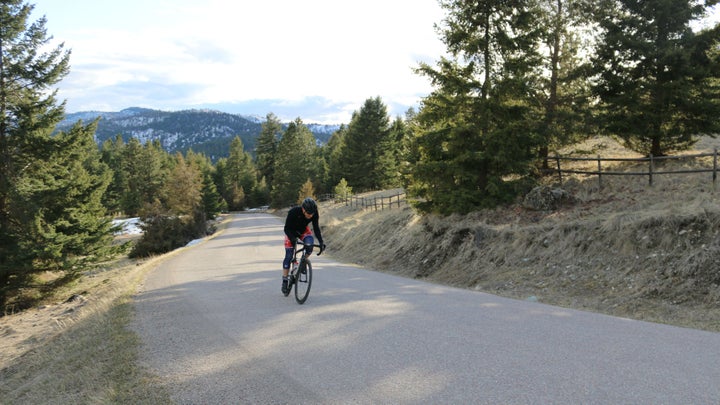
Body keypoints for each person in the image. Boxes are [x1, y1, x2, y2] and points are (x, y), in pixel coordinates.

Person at [282, 197, 325, 295]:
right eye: (309, 214)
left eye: (312, 214)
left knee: (309, 245)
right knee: (289, 256)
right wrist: (293, 239)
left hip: (303, 231)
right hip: (291, 232)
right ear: (303, 210)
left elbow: (316, 228)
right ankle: (284, 281)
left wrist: (321, 242)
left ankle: (303, 263)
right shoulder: (293, 212)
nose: (310, 216)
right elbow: (286, 229)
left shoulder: (314, 213)